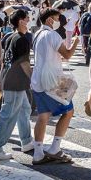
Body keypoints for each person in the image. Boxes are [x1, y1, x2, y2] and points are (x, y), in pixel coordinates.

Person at [31, 9, 78, 165]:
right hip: (54, 81)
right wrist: (76, 42)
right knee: (69, 111)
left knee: (43, 115)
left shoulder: (37, 34)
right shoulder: (53, 35)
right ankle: (55, 148)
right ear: (50, 20)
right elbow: (68, 55)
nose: (60, 22)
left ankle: (38, 153)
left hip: (38, 79)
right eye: (58, 18)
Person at [0, 9, 37, 160]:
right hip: (16, 81)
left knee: (24, 109)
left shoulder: (10, 37)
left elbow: (6, 61)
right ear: (21, 21)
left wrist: (1, 81)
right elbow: (24, 63)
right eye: (27, 18)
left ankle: (27, 141)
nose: (29, 20)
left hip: (10, 80)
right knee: (8, 115)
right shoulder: (21, 39)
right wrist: (33, 79)